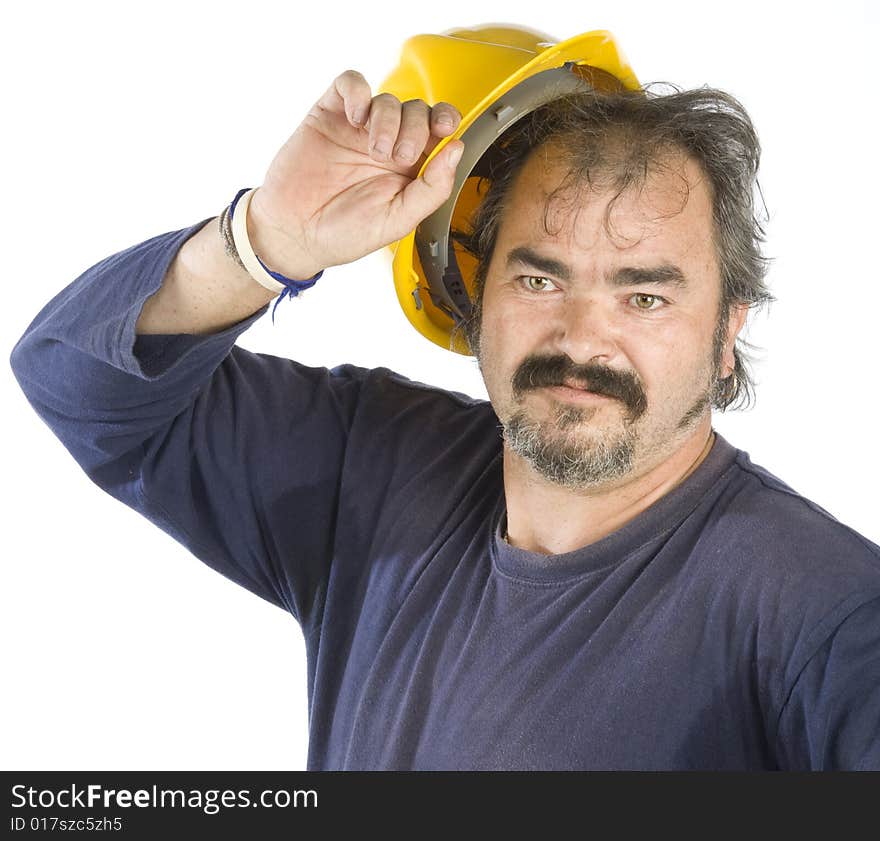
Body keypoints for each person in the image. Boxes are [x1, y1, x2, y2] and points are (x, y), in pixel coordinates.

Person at [10, 25, 880, 770]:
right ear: (475, 294)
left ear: (725, 330)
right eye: (540, 279)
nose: (581, 337)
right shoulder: (379, 467)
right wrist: (265, 240)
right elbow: (74, 380)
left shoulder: (826, 615)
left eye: (643, 296)